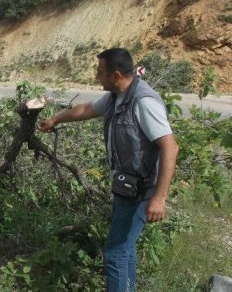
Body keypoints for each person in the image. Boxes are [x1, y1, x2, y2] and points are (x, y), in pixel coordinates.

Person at [39, 48, 179, 292]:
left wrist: (159, 197)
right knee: (125, 248)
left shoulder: (143, 102)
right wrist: (56, 119)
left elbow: (170, 147)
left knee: (114, 253)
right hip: (127, 187)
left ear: (116, 75)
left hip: (141, 191)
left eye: (100, 72)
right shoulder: (117, 96)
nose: (96, 76)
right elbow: (86, 110)